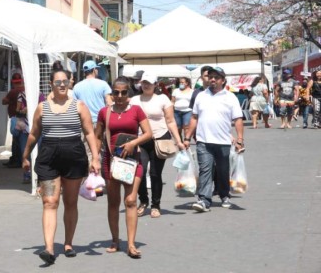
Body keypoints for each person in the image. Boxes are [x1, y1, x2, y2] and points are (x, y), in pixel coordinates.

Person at [22, 69, 100, 265]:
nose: (62, 85)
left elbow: (90, 133)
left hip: (74, 156)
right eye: (58, 82)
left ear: (70, 83)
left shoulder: (79, 106)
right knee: (49, 201)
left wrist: (95, 158)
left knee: (71, 202)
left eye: (66, 81)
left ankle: (68, 243)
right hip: (48, 157)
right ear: (51, 84)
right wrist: (25, 156)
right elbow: (33, 133)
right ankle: (49, 248)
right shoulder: (42, 107)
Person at [94, 78, 152, 258]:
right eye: (116, 92)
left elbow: (149, 133)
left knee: (131, 201)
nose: (119, 96)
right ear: (112, 93)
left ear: (129, 94)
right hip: (111, 161)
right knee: (113, 202)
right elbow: (97, 136)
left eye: (123, 92)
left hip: (133, 161)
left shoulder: (136, 110)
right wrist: (94, 158)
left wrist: (133, 143)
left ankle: (132, 244)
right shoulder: (105, 112)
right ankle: (115, 240)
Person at [185, 66, 245, 212]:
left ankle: (224, 194)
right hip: (203, 141)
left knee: (223, 170)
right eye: (210, 76)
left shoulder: (230, 97)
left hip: (223, 142)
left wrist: (240, 139)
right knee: (205, 170)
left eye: (216, 77)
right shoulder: (201, 95)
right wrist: (186, 137)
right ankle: (204, 200)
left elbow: (238, 119)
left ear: (223, 80)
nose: (212, 79)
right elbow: (194, 118)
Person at [130, 72, 185, 219]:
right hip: (141, 140)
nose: (146, 85)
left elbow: (171, 121)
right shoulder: (134, 100)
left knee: (155, 173)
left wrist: (178, 140)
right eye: (144, 82)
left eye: (149, 83)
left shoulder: (162, 99)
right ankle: (143, 201)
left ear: (155, 84)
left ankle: (155, 205)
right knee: (139, 173)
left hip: (160, 139)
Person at [2, 72, 25, 168]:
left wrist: (11, 101)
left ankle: (17, 160)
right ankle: (17, 159)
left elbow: (3, 101)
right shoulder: (25, 90)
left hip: (16, 118)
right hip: (24, 118)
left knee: (16, 140)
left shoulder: (13, 92)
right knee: (21, 139)